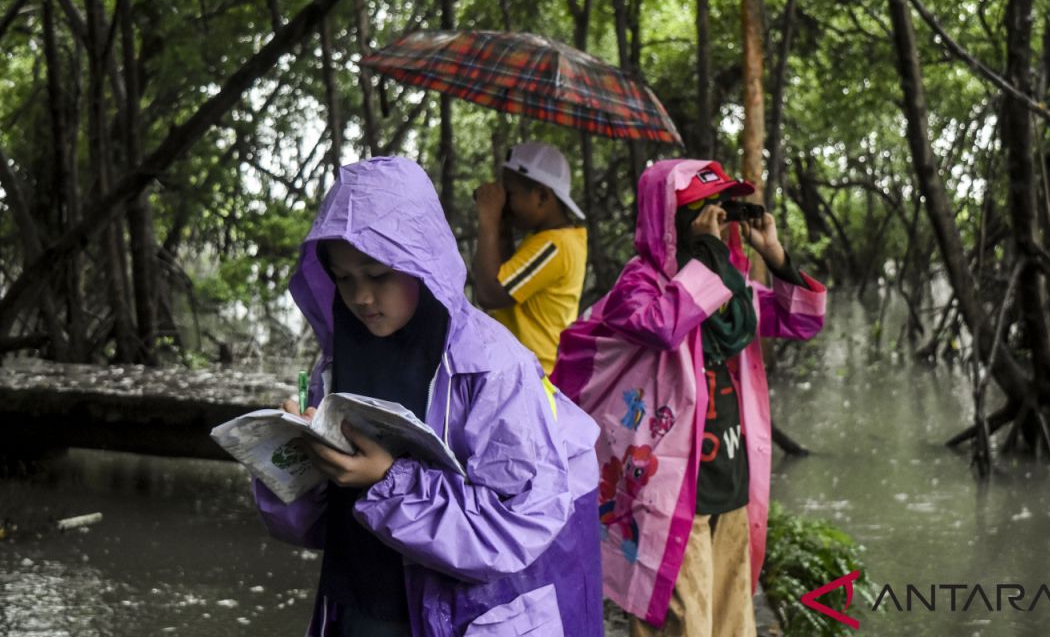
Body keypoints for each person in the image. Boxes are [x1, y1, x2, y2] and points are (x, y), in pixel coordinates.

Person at [254, 156, 603, 637]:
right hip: (356, 605)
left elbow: (519, 526)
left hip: (455, 617)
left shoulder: (493, 368)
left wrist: (389, 480)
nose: (361, 297)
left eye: (378, 275)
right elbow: (307, 526)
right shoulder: (335, 363)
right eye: (344, 278)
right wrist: (294, 459)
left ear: (422, 262)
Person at [551, 159, 826, 637]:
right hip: (670, 494)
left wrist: (775, 255)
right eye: (699, 211)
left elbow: (801, 320)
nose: (714, 220)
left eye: (719, 209)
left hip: (732, 483)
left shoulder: (729, 287)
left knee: (732, 624)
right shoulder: (640, 286)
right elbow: (660, 325)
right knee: (682, 625)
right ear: (667, 220)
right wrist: (712, 257)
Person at [472, 142, 587, 407]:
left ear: (542, 197)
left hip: (534, 380)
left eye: (510, 193)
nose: (506, 203)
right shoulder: (551, 241)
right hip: (524, 375)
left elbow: (491, 292)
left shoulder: (553, 246)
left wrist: (488, 219)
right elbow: (503, 272)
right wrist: (499, 225)